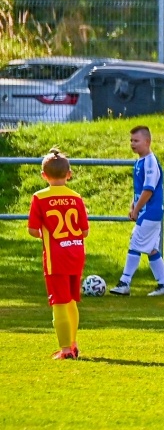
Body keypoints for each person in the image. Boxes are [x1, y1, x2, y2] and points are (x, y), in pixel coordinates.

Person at [27, 148, 89, 360]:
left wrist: (48, 233)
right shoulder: (76, 197)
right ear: (69, 174)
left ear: (44, 175)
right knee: (71, 300)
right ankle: (73, 343)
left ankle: (65, 350)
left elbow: (33, 230)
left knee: (59, 302)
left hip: (56, 257)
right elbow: (85, 231)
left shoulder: (39, 197)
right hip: (76, 253)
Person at [110, 125, 164, 297]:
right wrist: (133, 205)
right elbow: (139, 189)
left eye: (136, 141)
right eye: (131, 140)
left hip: (150, 211)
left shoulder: (151, 161)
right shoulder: (139, 162)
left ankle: (125, 282)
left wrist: (137, 209)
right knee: (151, 249)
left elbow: (149, 189)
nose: (132, 144)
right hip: (146, 210)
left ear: (147, 142)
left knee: (135, 243)